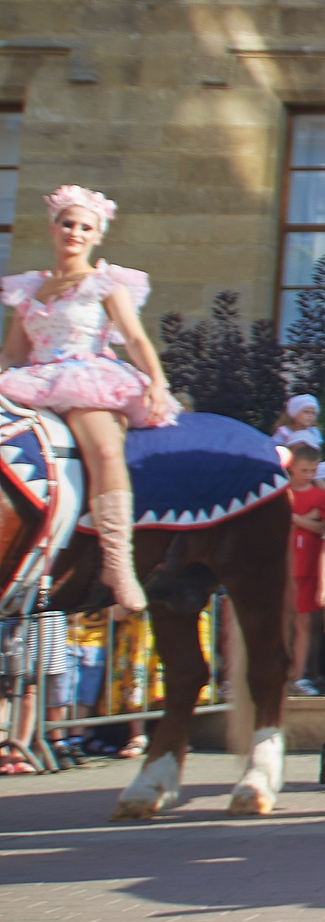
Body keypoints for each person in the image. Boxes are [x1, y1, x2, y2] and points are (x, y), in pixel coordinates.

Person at [0, 185, 179, 617]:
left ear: (97, 235)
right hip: (33, 382)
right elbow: (12, 355)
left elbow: (135, 339)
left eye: (85, 226)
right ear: (52, 228)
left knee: (103, 447)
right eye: (67, 223)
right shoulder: (29, 290)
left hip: (87, 377)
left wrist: (157, 383)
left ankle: (118, 563)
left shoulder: (106, 284)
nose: (74, 232)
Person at [285, 449, 325, 696]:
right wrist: (305, 518)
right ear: (292, 467)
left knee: (304, 622)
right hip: (282, 567)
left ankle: (298, 676)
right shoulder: (281, 493)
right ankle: (280, 674)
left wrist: (296, 519)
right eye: (304, 470)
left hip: (308, 567)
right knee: (283, 621)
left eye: (313, 471)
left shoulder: (320, 496)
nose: (308, 475)